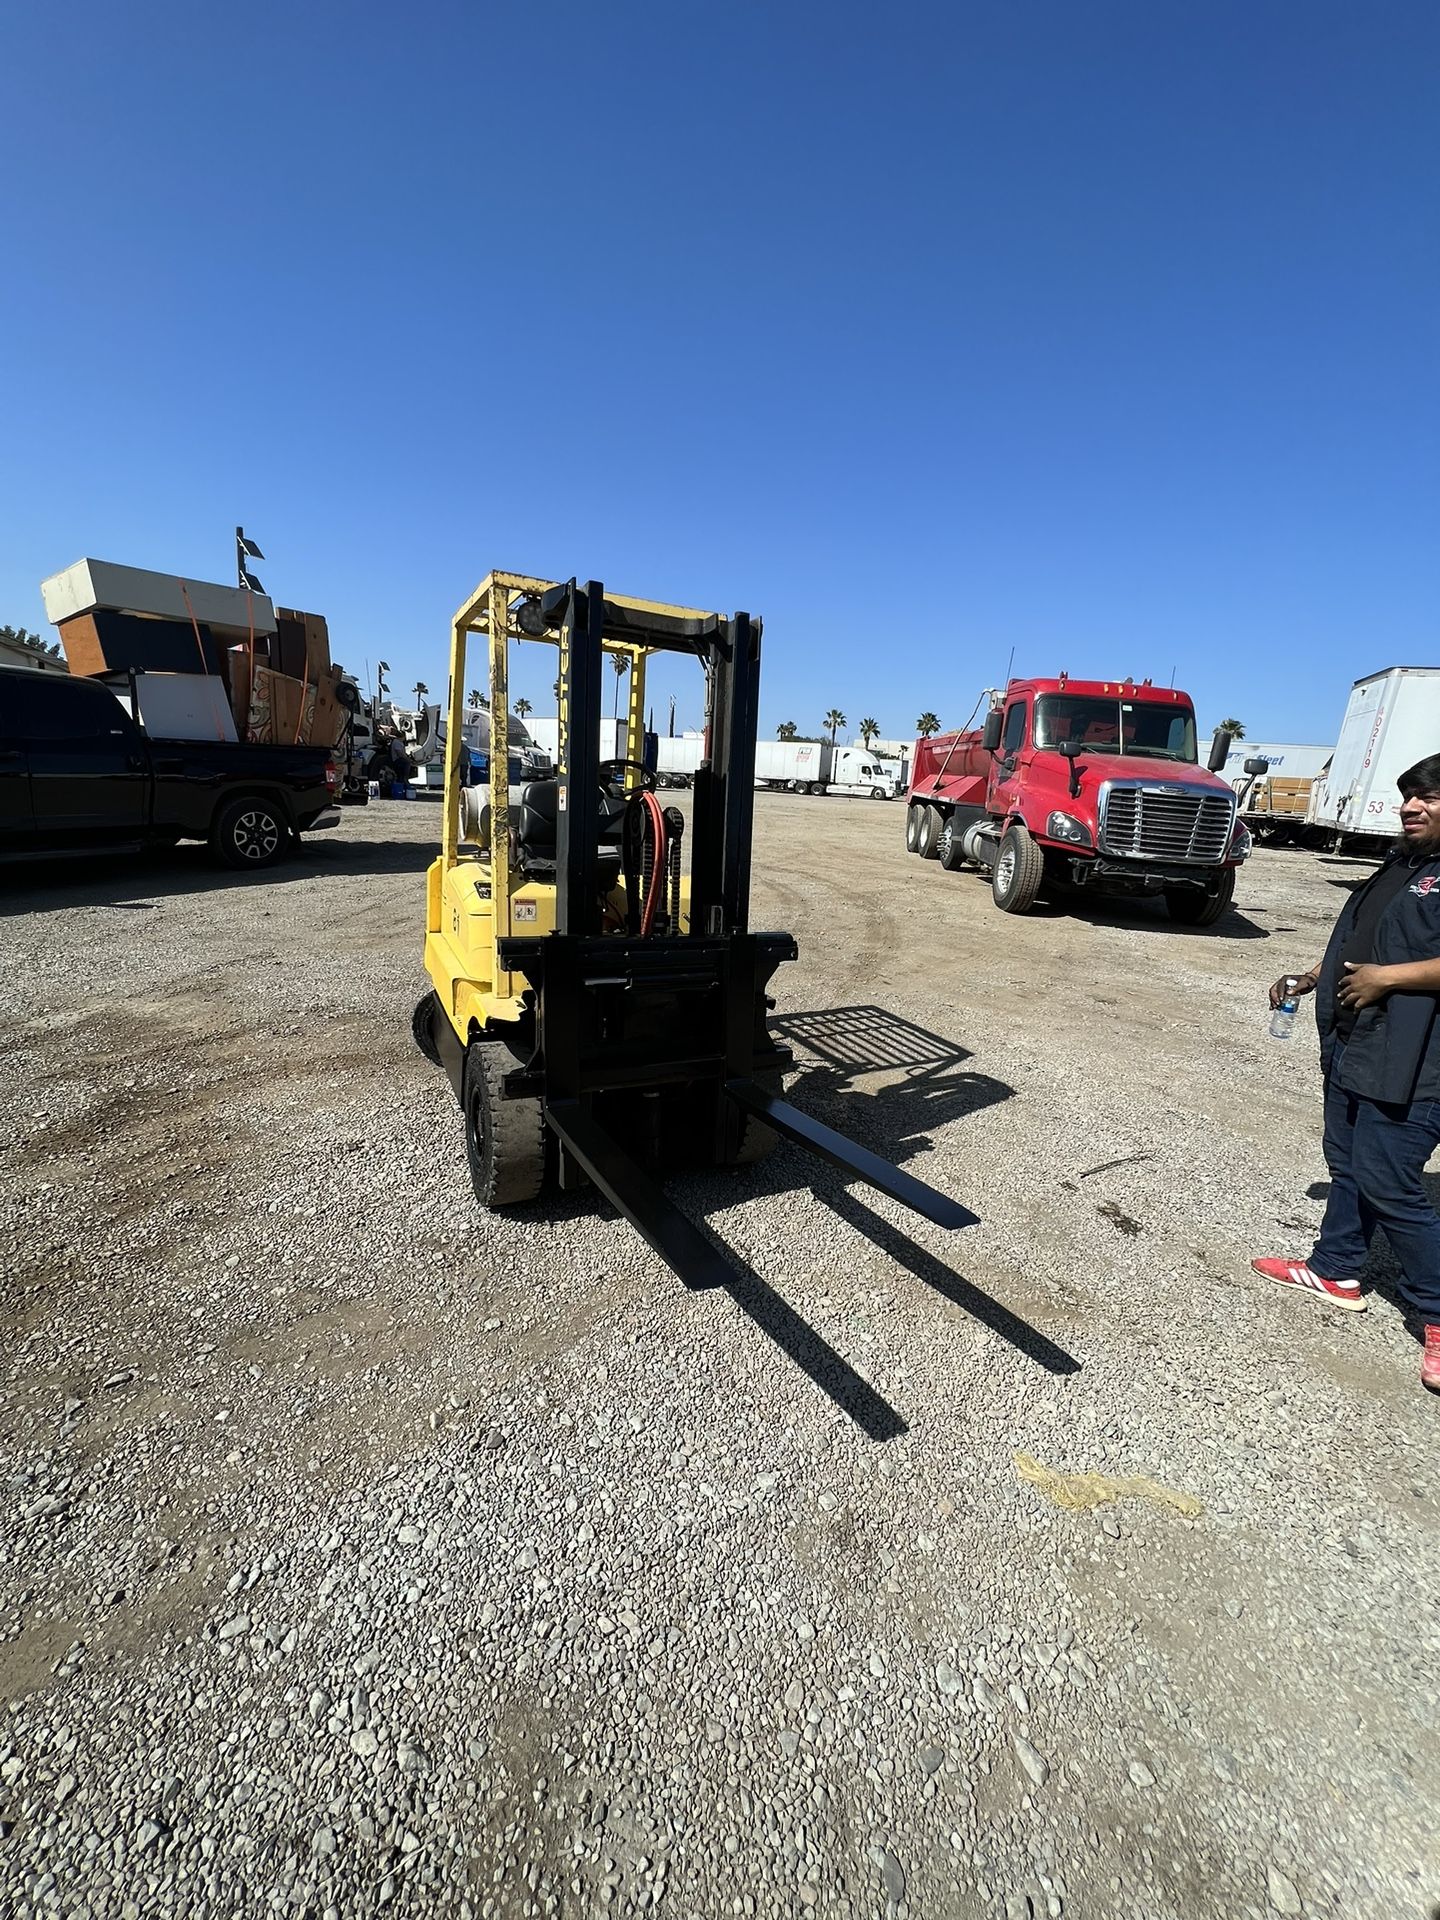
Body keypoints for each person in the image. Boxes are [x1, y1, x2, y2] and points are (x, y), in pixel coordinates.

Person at [1254, 754, 1440, 1393]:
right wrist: (1313, 977)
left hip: (1419, 1060)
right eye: (1410, 796)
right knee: (1349, 1162)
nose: (1412, 807)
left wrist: (1391, 978)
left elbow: (1392, 963)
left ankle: (1437, 1311)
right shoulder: (1404, 863)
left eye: (1429, 798)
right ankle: (1336, 1268)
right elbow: (1365, 936)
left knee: (1390, 1180)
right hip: (1359, 1042)